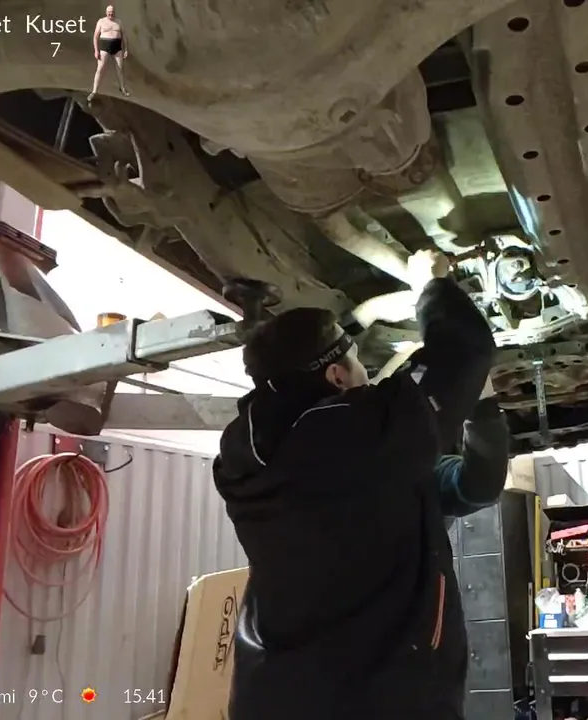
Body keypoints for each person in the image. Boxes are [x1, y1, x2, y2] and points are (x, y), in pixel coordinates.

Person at [213, 249, 508, 719]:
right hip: (374, 702)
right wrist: (430, 284)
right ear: (336, 376)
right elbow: (465, 348)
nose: (368, 377)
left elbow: (477, 484)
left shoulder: (248, 454)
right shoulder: (349, 440)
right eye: (358, 364)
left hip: (283, 695)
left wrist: (479, 406)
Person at [88, 5, 129, 102]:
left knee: (120, 69)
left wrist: (126, 49)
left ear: (114, 12)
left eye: (112, 12)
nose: (111, 14)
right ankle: (94, 91)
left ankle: (123, 88)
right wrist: (96, 50)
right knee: (100, 69)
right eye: (109, 12)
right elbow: (95, 36)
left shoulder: (119, 22)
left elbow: (124, 36)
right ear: (106, 12)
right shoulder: (101, 21)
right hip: (104, 47)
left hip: (117, 47)